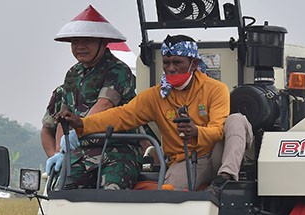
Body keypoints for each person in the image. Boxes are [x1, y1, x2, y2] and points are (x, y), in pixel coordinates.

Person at [57, 34, 251, 192]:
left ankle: (225, 178)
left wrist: (196, 131)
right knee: (168, 196)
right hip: (184, 160)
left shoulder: (215, 89)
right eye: (166, 63)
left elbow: (218, 130)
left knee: (236, 120)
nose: (171, 68)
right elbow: (122, 115)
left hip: (216, 154)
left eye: (177, 62)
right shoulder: (155, 95)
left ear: (193, 64)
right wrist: (83, 123)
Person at [41, 5, 140, 190]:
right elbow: (64, 116)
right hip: (81, 155)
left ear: (103, 43)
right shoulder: (73, 73)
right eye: (75, 42)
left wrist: (80, 128)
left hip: (117, 152)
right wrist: (60, 152)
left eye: (87, 41)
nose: (80, 47)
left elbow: (104, 105)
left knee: (111, 193)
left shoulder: (118, 70)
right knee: (60, 192)